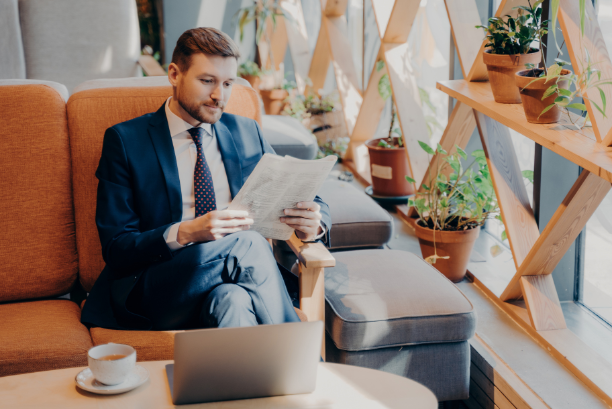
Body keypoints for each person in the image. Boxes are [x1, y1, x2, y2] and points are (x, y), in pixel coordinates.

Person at [81, 27, 331, 331]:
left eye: (227, 83)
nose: (219, 95)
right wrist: (189, 232)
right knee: (249, 245)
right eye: (207, 81)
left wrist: (313, 223)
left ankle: (249, 379)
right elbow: (117, 247)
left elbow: (302, 192)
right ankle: (310, 366)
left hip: (231, 278)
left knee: (233, 300)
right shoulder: (126, 140)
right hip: (159, 287)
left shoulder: (245, 132)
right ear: (174, 74)